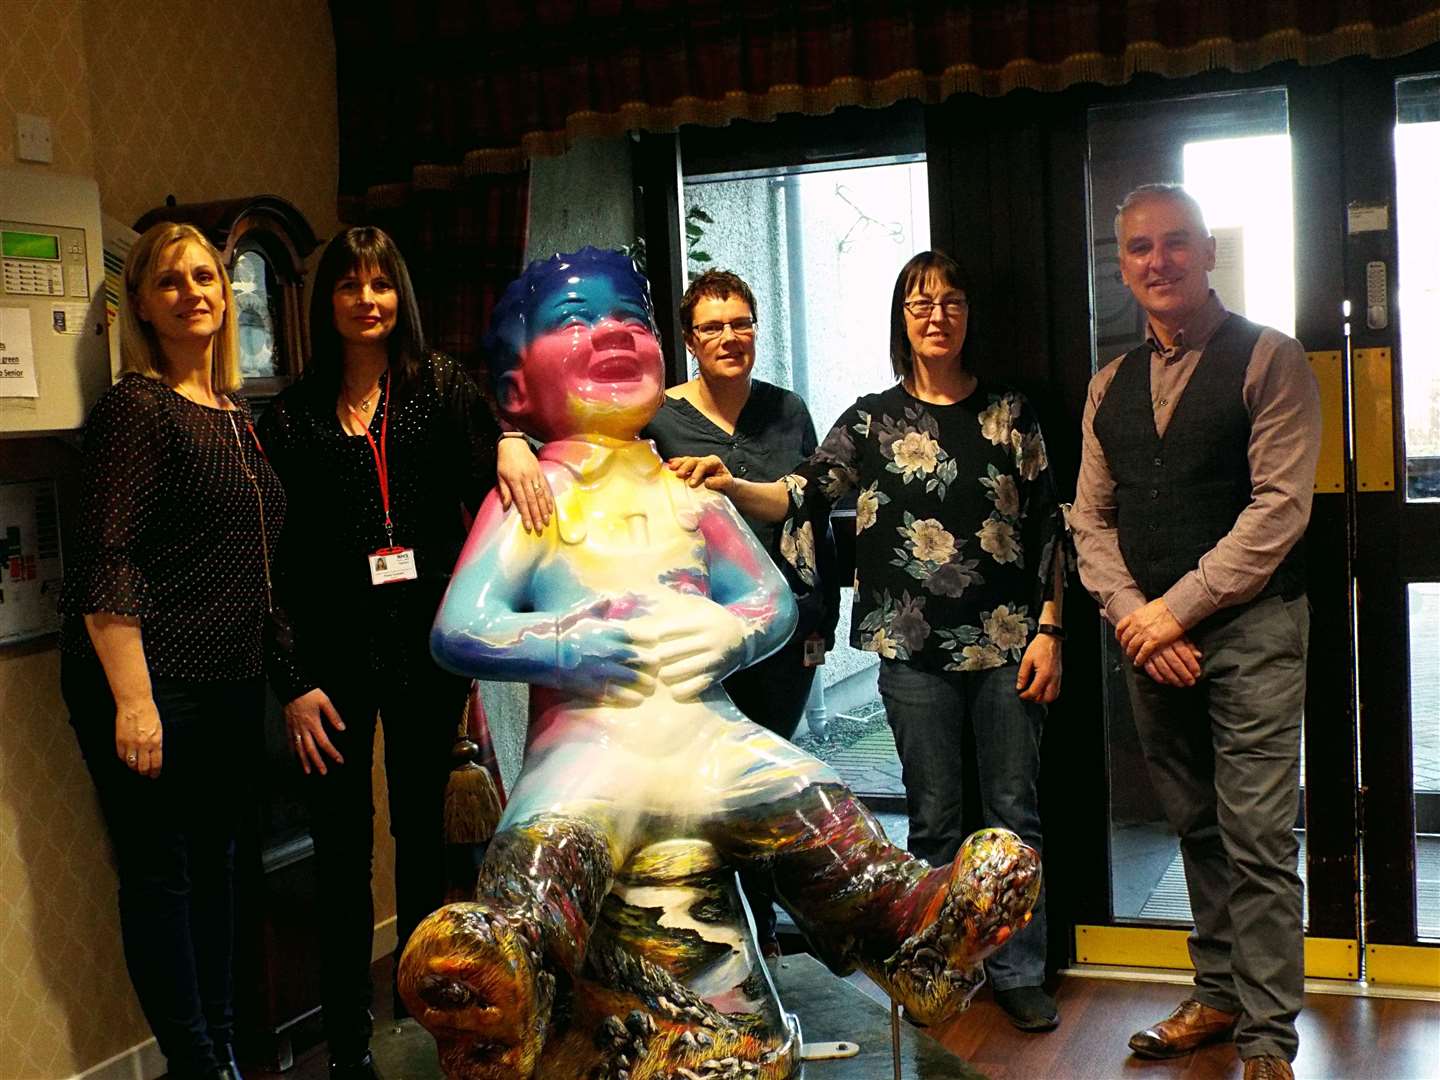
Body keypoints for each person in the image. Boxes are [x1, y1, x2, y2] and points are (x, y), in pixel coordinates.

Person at [396, 247, 1042, 1080]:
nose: (613, 336)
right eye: (575, 323)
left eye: (630, 320)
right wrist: (570, 638)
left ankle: (911, 923)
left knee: (817, 801)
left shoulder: (687, 492)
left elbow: (770, 600)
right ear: (518, 387)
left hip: (708, 737)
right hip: (588, 754)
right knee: (547, 852)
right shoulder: (530, 499)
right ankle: (511, 974)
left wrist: (731, 634)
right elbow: (460, 626)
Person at [669, 250, 1067, 1031]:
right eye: (920, 303)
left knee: (1016, 816)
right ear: (903, 321)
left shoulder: (1010, 414)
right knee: (933, 823)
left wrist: (1052, 629)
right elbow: (797, 494)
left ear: (966, 316)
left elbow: (1051, 527)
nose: (937, 315)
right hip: (911, 649)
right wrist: (727, 483)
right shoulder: (870, 419)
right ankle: (936, 971)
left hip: (1009, 643)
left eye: (950, 301)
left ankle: (1019, 971)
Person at [257, 226, 547, 1079]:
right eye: (349, 286)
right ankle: (349, 1045)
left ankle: (428, 1025)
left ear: (401, 296)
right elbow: (271, 560)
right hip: (330, 659)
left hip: (425, 648)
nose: (367, 300)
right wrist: (293, 679)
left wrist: (507, 439)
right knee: (341, 854)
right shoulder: (294, 417)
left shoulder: (440, 388)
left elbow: (491, 485)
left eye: (381, 284)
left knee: (424, 841)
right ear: (328, 303)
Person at [1070, 184, 1321, 1080]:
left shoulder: (1270, 359)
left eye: (1176, 243)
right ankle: (1217, 995)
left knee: (1256, 834)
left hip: (1252, 632)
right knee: (1197, 824)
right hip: (1148, 639)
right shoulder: (1109, 385)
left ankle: (1267, 1039)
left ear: (1207, 251)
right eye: (1140, 248)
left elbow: (1279, 513)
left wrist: (1166, 613)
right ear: (1124, 262)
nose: (1159, 261)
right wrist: (1137, 618)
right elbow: (1088, 522)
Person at [60, 222, 284, 1080]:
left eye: (207, 278)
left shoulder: (235, 414)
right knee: (164, 879)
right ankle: (198, 1064)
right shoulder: (136, 407)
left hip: (228, 684)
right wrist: (135, 701)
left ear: (227, 296)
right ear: (144, 308)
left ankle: (220, 1047)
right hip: (152, 686)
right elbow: (105, 557)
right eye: (171, 282)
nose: (195, 292)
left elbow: (257, 561)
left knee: (221, 872)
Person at [641, 268, 840, 955]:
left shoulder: (787, 409)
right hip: (699, 637)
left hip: (786, 625)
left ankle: (768, 944)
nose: (730, 337)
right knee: (711, 795)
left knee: (767, 785)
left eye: (742, 323)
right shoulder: (656, 417)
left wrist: (824, 615)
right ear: (690, 341)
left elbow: (810, 504)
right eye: (713, 327)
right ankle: (727, 946)